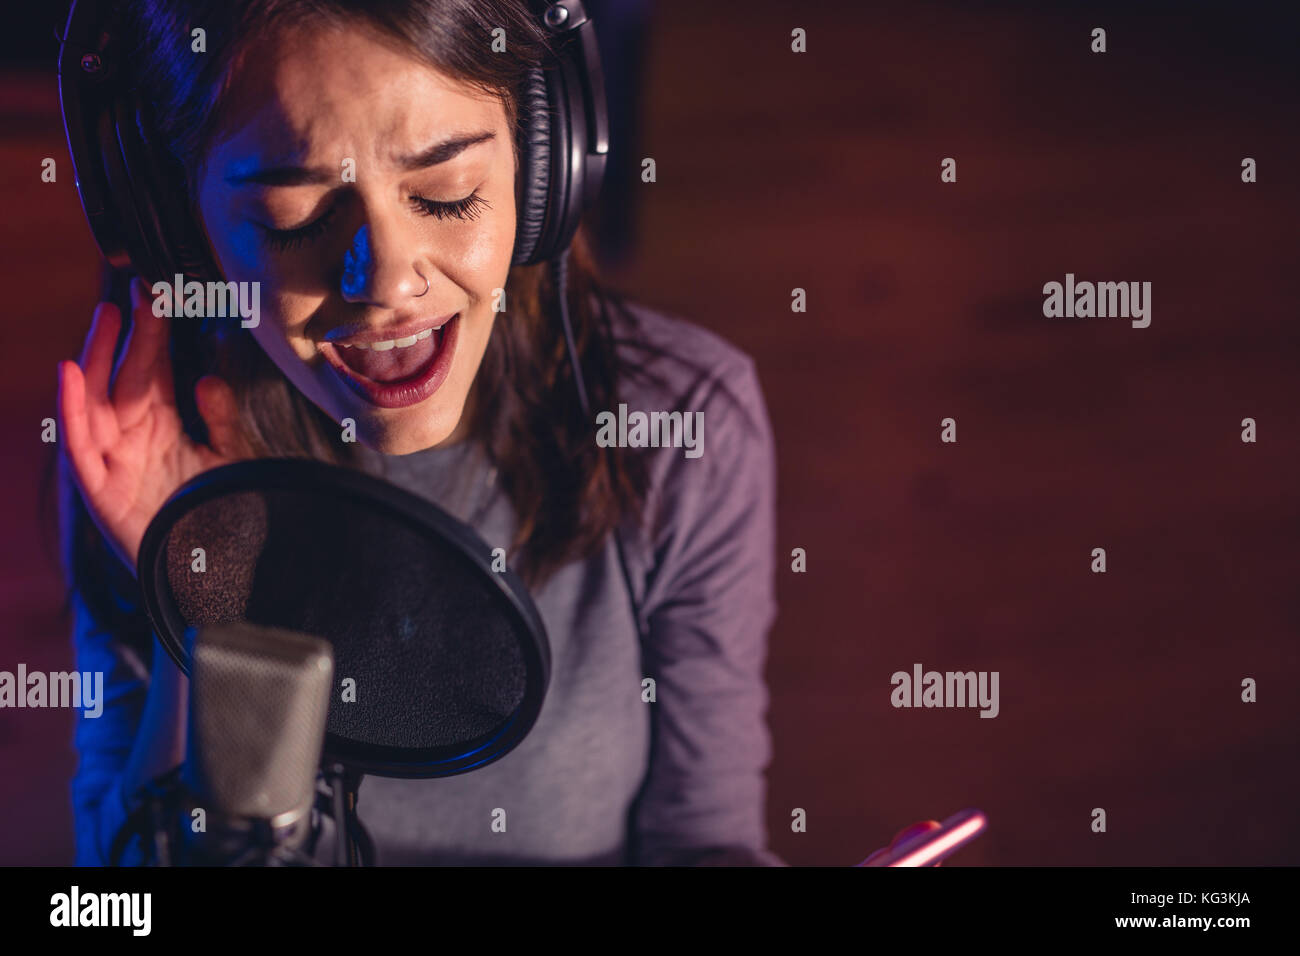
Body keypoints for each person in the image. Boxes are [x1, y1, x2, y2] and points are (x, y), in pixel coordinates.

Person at [57, 0, 783, 866]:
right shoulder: (148, 441)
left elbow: (706, 843)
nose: (387, 281)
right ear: (179, 224)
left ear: (542, 165)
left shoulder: (682, 426)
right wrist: (200, 595)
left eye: (447, 194)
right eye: (293, 217)